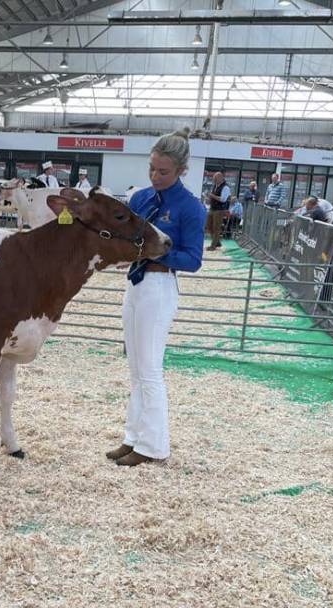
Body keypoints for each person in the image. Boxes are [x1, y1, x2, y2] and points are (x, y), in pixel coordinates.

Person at [106, 128, 205, 467]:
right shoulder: (140, 198)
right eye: (152, 168)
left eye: (163, 171)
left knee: (150, 370)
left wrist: (155, 255)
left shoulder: (191, 207)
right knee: (135, 369)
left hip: (159, 287)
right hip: (134, 283)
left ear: (181, 171)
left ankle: (154, 447)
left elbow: (193, 259)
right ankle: (133, 437)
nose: (155, 176)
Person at [206, 171, 230, 251]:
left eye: (215, 179)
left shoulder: (225, 187)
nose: (214, 180)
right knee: (209, 226)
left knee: (216, 228)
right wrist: (209, 199)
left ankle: (213, 246)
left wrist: (212, 196)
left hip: (219, 210)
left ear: (220, 178)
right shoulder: (215, 186)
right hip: (212, 208)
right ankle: (217, 242)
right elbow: (214, 197)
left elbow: (223, 199)